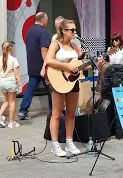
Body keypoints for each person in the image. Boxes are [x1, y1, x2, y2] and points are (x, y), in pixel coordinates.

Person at [46, 19, 84, 156]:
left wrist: (93, 63)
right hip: (58, 80)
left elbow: (82, 62)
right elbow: (49, 60)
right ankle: (55, 144)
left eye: (75, 30)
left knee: (71, 113)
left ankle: (69, 142)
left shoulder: (75, 45)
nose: (74, 32)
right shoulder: (55, 44)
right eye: (71, 30)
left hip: (73, 81)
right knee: (56, 113)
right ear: (63, 30)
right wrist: (67, 66)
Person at [19, 12, 52, 120]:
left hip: (32, 65)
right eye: (47, 19)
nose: (47, 21)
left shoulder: (29, 31)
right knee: (51, 88)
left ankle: (23, 110)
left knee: (31, 87)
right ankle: (54, 110)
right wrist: (47, 64)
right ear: (42, 20)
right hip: (42, 67)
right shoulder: (43, 32)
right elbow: (44, 50)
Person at [0, 41, 22, 128]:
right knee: (12, 102)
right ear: (10, 48)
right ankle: (12, 123)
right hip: (10, 82)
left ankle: (0, 116)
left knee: (7, 100)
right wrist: (20, 85)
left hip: (2, 82)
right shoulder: (13, 60)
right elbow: (17, 74)